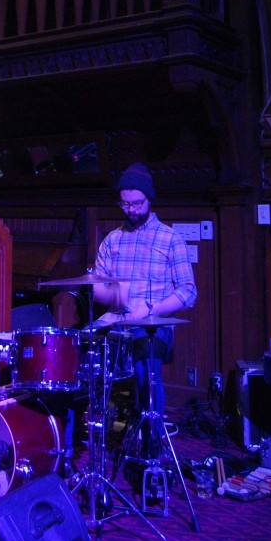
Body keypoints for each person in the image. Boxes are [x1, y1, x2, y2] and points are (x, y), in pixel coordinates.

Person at [93, 162, 197, 422]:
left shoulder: (170, 239)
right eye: (125, 204)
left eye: (137, 203)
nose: (131, 210)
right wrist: (107, 295)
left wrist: (150, 310)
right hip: (116, 321)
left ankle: (152, 441)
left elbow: (188, 291)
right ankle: (87, 437)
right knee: (78, 352)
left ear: (149, 199)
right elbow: (99, 288)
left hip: (153, 323)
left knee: (144, 364)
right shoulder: (112, 240)